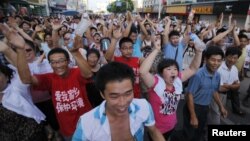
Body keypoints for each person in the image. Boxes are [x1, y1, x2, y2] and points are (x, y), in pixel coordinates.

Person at [8, 28, 93, 140]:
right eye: (53, 62)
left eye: (61, 61)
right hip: (68, 130)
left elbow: (88, 74)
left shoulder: (76, 72)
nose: (57, 65)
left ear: (68, 61)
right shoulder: (49, 79)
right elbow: (26, 79)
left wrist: (75, 52)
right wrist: (19, 50)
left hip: (89, 125)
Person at [72, 62, 166, 141]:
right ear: (102, 94)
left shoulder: (143, 106)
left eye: (128, 93)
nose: (123, 103)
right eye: (114, 96)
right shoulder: (86, 123)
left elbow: (153, 131)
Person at [139, 38, 202, 140]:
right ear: (161, 73)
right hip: (156, 129)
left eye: (175, 69)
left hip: (172, 125)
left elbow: (193, 69)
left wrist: (199, 52)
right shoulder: (155, 82)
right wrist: (156, 50)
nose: (173, 72)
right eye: (168, 69)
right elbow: (142, 72)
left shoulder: (177, 81)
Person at [182, 46, 227, 141]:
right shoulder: (198, 75)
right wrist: (193, 116)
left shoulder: (217, 75)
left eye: (219, 61)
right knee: (189, 133)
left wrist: (221, 107)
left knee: (200, 131)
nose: (216, 63)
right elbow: (189, 95)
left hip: (205, 107)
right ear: (206, 59)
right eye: (213, 60)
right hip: (193, 107)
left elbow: (214, 91)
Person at [0, 59, 46, 141]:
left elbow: (25, 74)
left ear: (7, 77)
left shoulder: (16, 88)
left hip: (33, 135)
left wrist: (14, 49)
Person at [208, 47, 242, 125]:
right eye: (230, 57)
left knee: (216, 114)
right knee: (215, 116)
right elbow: (219, 88)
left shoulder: (234, 69)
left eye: (235, 58)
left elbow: (238, 85)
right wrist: (232, 86)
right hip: (214, 95)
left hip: (224, 95)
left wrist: (228, 86)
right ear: (225, 56)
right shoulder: (218, 68)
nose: (232, 60)